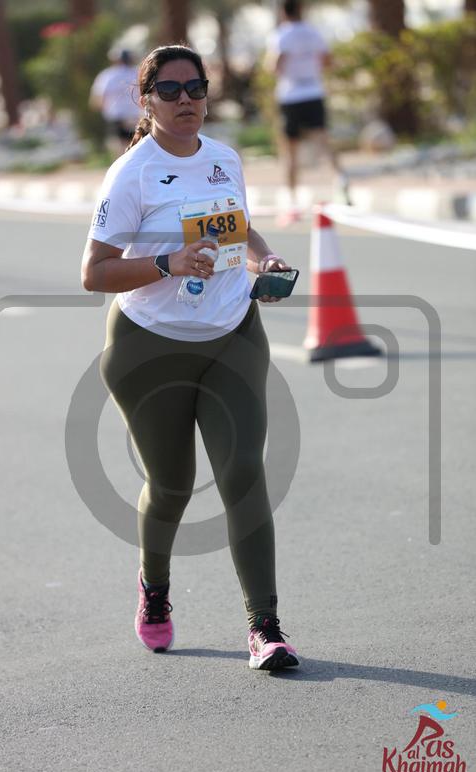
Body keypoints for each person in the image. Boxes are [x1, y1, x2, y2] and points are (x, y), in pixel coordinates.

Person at [81, 45, 300, 671]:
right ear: (145, 100)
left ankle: (265, 627)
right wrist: (168, 263)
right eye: (171, 90)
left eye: (196, 88)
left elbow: (239, 227)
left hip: (233, 333)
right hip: (149, 347)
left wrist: (263, 258)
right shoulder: (132, 174)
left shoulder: (224, 158)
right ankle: (154, 588)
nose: (186, 101)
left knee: (243, 475)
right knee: (172, 485)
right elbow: (94, 273)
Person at [267, 0, 350, 225]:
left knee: (290, 150)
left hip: (291, 96)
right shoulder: (313, 32)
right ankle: (341, 178)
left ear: (283, 12)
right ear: (301, 10)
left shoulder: (282, 35)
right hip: (314, 92)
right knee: (323, 139)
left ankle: (292, 203)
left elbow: (274, 65)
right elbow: (328, 60)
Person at [89, 49, 141, 152]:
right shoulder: (138, 72)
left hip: (116, 117)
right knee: (138, 145)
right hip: (137, 116)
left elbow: (97, 99)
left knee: (119, 147)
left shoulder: (107, 75)